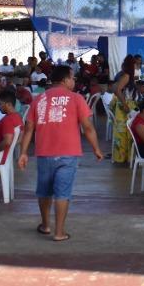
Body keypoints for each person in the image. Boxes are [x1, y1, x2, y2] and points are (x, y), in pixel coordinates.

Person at [17, 65, 104, 242]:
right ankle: (59, 232)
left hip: (44, 154)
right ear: (65, 80)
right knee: (62, 193)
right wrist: (96, 148)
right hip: (68, 154)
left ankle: (46, 225)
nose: (74, 81)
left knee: (44, 191)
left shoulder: (39, 99)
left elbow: (28, 129)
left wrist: (23, 152)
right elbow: (88, 127)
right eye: (73, 79)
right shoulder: (76, 98)